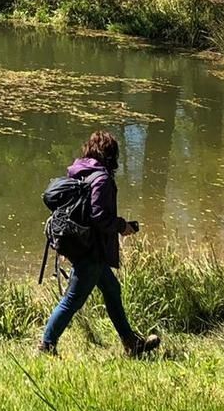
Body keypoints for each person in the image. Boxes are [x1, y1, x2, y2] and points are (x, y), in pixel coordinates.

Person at [36, 130, 161, 358]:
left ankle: (131, 343)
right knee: (72, 301)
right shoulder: (101, 179)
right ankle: (46, 346)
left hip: (82, 245)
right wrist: (122, 226)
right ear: (111, 155)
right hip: (91, 250)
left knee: (113, 290)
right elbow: (99, 217)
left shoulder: (80, 173)